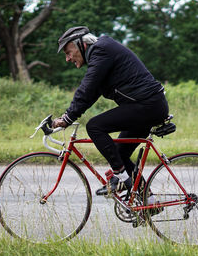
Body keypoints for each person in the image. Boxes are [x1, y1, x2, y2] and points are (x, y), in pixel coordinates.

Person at [52, 26, 169, 196]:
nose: (67, 59)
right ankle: (148, 201)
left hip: (147, 106)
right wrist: (69, 116)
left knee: (94, 126)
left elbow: (87, 87)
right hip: (147, 105)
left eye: (68, 52)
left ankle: (120, 177)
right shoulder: (101, 54)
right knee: (119, 153)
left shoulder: (101, 50)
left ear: (81, 44)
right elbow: (92, 92)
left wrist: (68, 117)